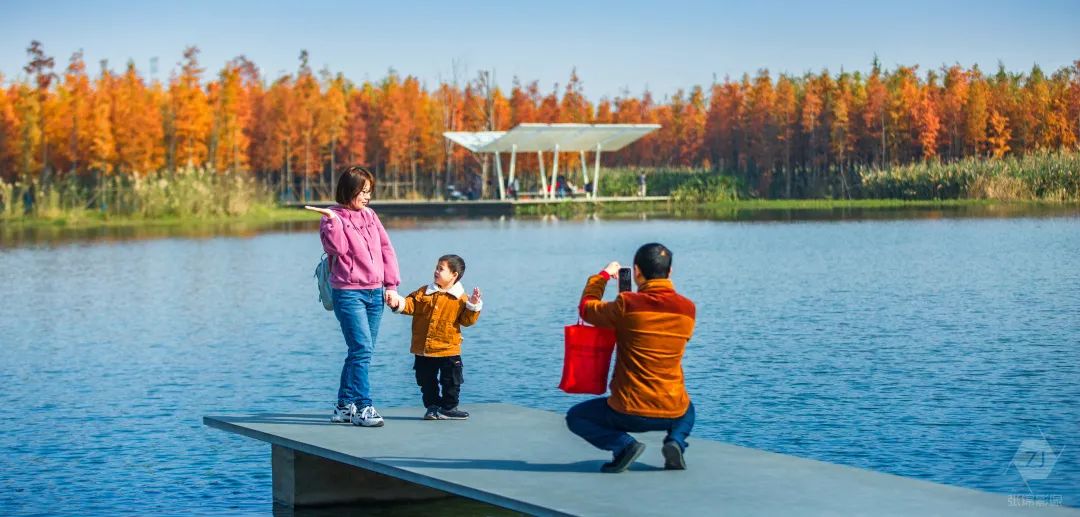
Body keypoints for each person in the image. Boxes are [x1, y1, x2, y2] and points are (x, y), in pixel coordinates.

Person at [565, 243, 696, 473]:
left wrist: (603, 275)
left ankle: (624, 445)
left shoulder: (626, 305)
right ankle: (675, 441)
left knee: (575, 417)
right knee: (688, 409)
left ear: (636, 272)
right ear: (670, 272)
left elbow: (586, 309)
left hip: (627, 411)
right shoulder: (688, 309)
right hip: (670, 409)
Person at [305, 166, 401, 428]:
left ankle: (343, 406)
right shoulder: (331, 217)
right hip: (348, 293)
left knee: (362, 352)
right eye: (363, 191)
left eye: (370, 191)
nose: (367, 197)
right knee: (361, 349)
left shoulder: (370, 215)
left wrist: (391, 285)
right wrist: (334, 223)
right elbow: (337, 248)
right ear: (349, 190)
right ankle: (364, 407)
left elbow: (386, 249)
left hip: (375, 293)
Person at [388, 254, 482, 420]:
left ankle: (449, 408)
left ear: (454, 275)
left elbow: (467, 321)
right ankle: (432, 407)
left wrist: (473, 305)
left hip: (449, 349)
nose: (436, 271)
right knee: (426, 381)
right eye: (436, 267)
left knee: (452, 381)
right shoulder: (424, 292)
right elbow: (410, 305)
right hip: (424, 348)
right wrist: (397, 303)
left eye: (441, 269)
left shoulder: (461, 298)